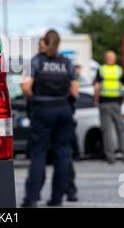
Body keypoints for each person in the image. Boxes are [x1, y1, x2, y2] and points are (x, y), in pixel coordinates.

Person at [21, 30, 79, 207]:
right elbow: (74, 90)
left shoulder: (36, 61)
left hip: (43, 110)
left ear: (45, 42)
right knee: (62, 155)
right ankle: (57, 198)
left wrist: (36, 98)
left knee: (38, 155)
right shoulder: (67, 62)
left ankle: (31, 198)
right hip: (63, 110)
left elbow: (25, 88)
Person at [94, 51, 124, 164]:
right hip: (116, 103)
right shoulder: (119, 69)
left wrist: (96, 100)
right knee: (120, 130)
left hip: (104, 103)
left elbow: (96, 87)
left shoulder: (101, 69)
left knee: (107, 131)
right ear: (114, 59)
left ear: (106, 59)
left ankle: (111, 157)